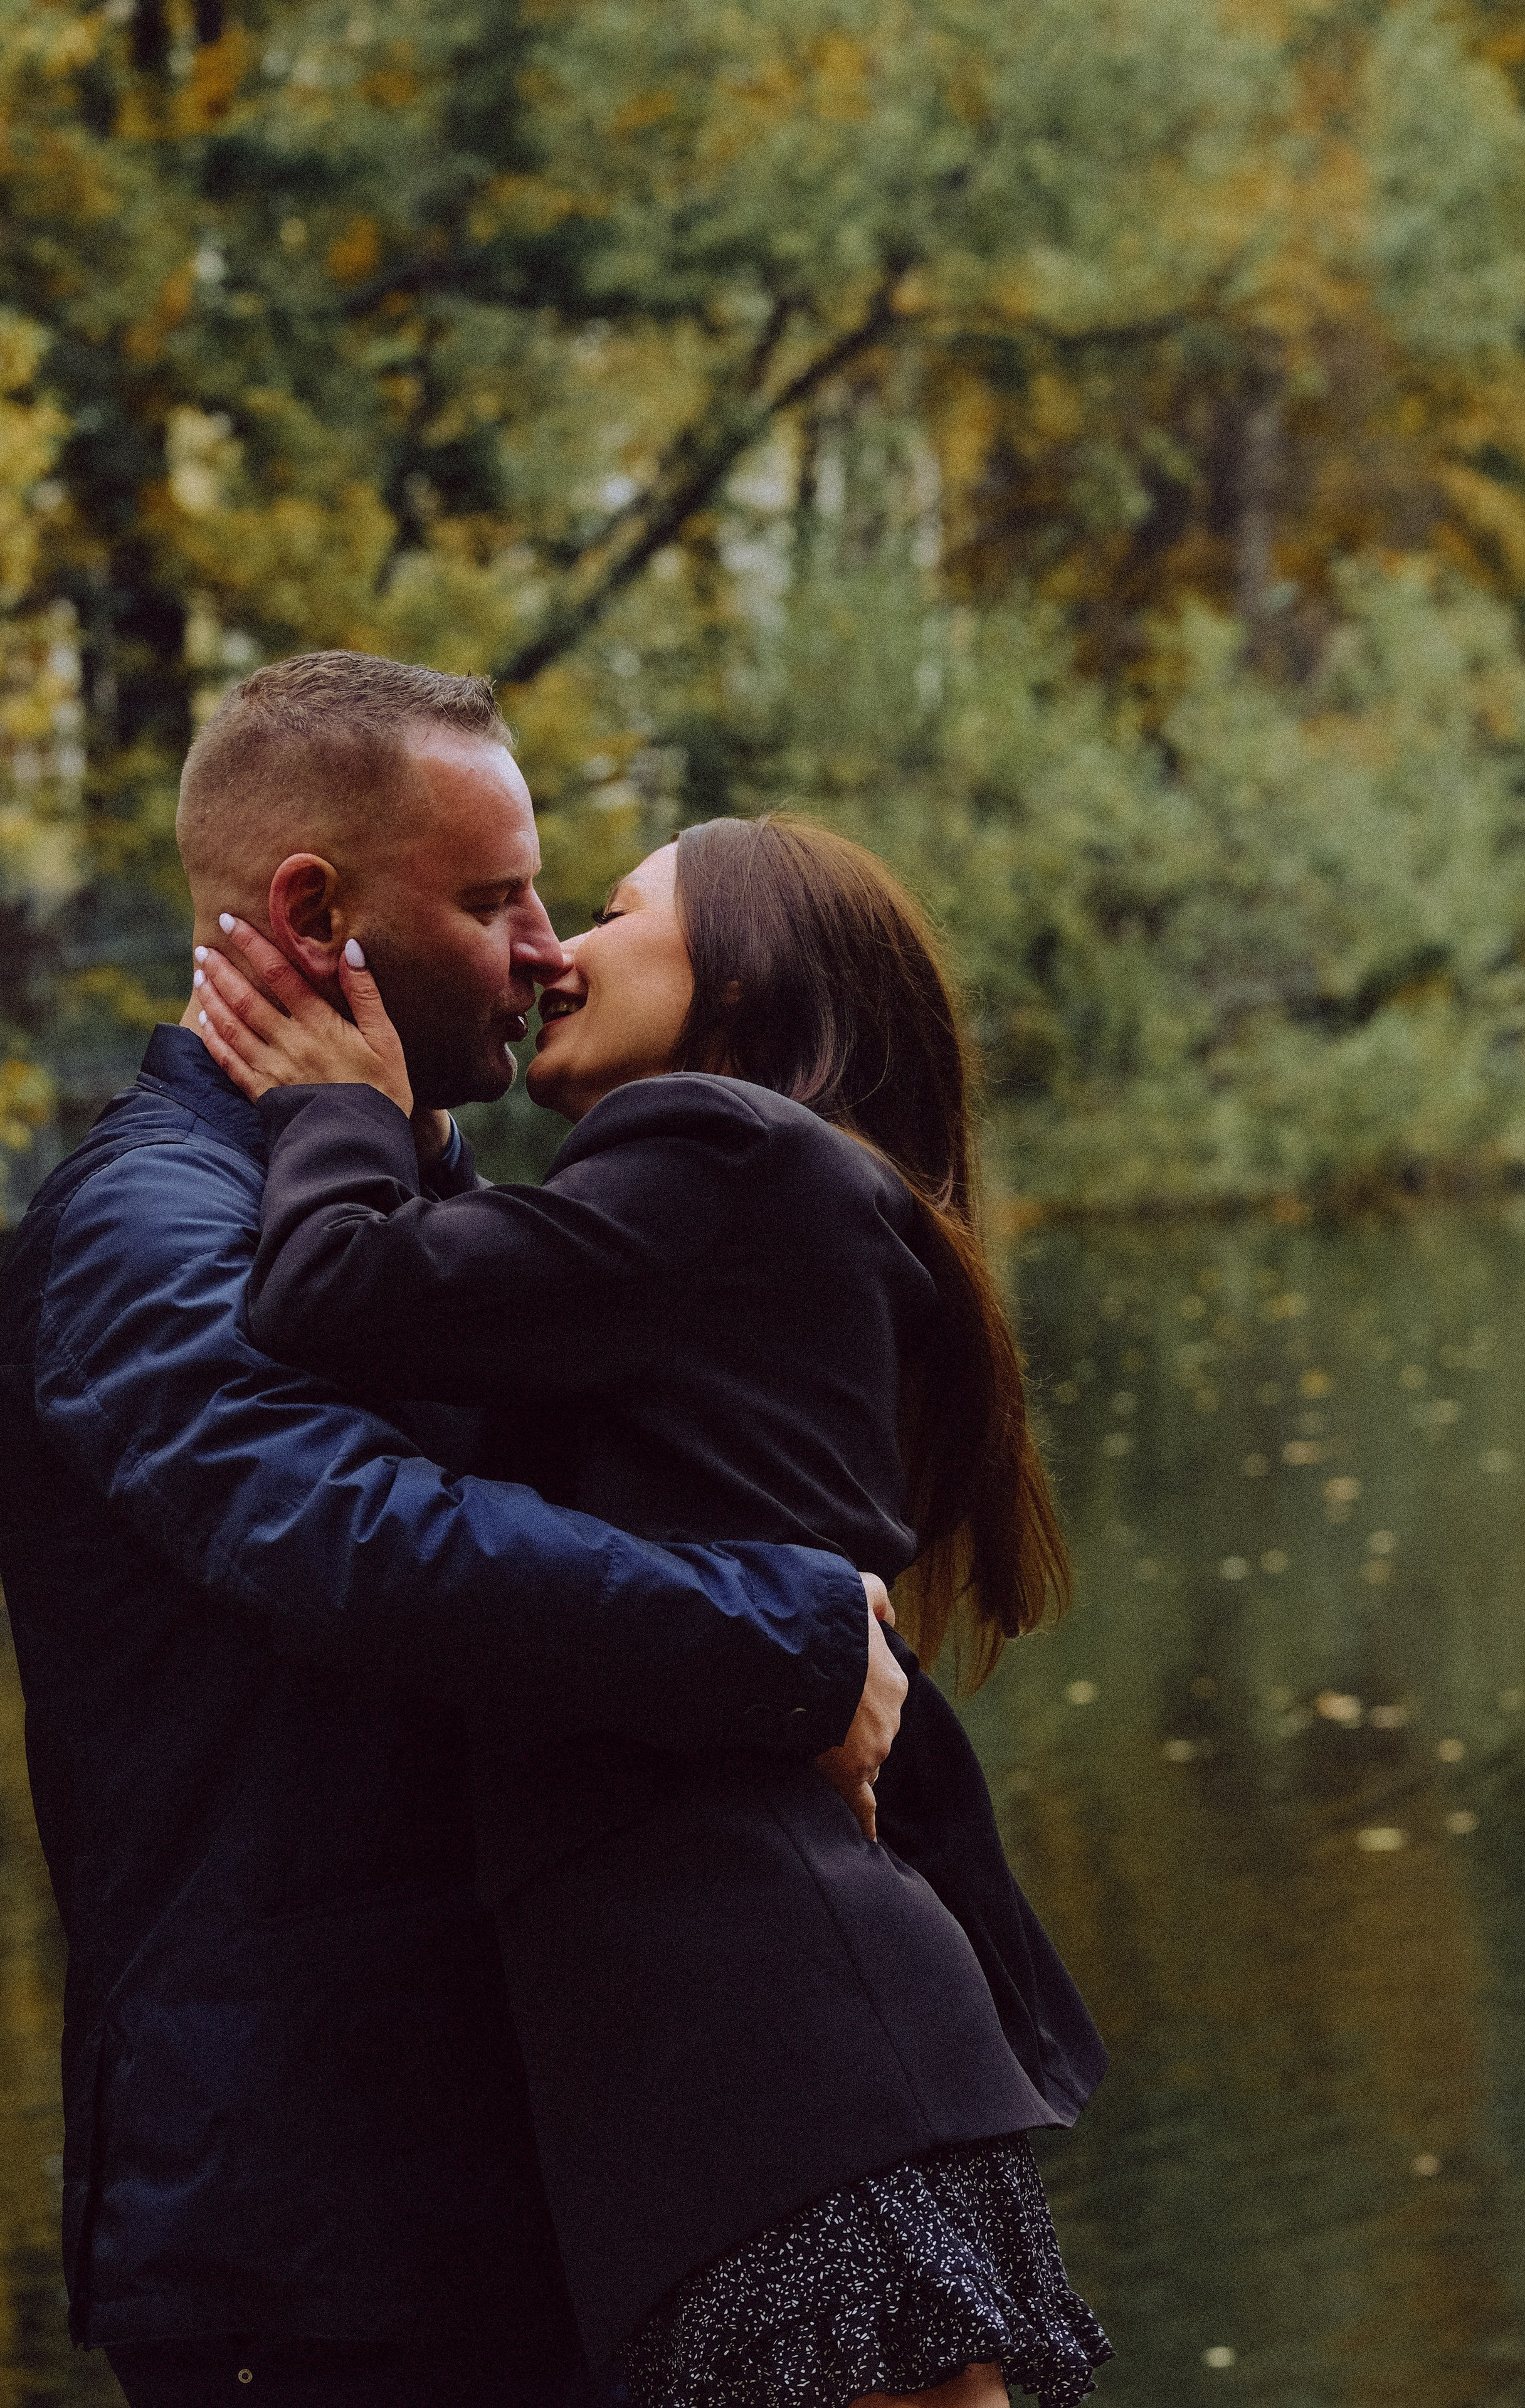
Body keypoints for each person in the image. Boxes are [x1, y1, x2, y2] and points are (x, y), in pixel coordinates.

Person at [0, 655, 909, 2408]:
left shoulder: (410, 1199)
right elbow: (357, 1537)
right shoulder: (143, 1227)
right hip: (307, 2237)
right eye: (495, 900)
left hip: (505, 2182)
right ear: (312, 910)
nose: (547, 946)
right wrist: (795, 1648)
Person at [191, 810, 1113, 2408]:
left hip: (761, 2023)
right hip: (739, 2036)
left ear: (742, 987)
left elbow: (333, 1293)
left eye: (613, 913)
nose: (554, 949)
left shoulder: (716, 1151)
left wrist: (340, 1110)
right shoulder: (739, 1213)